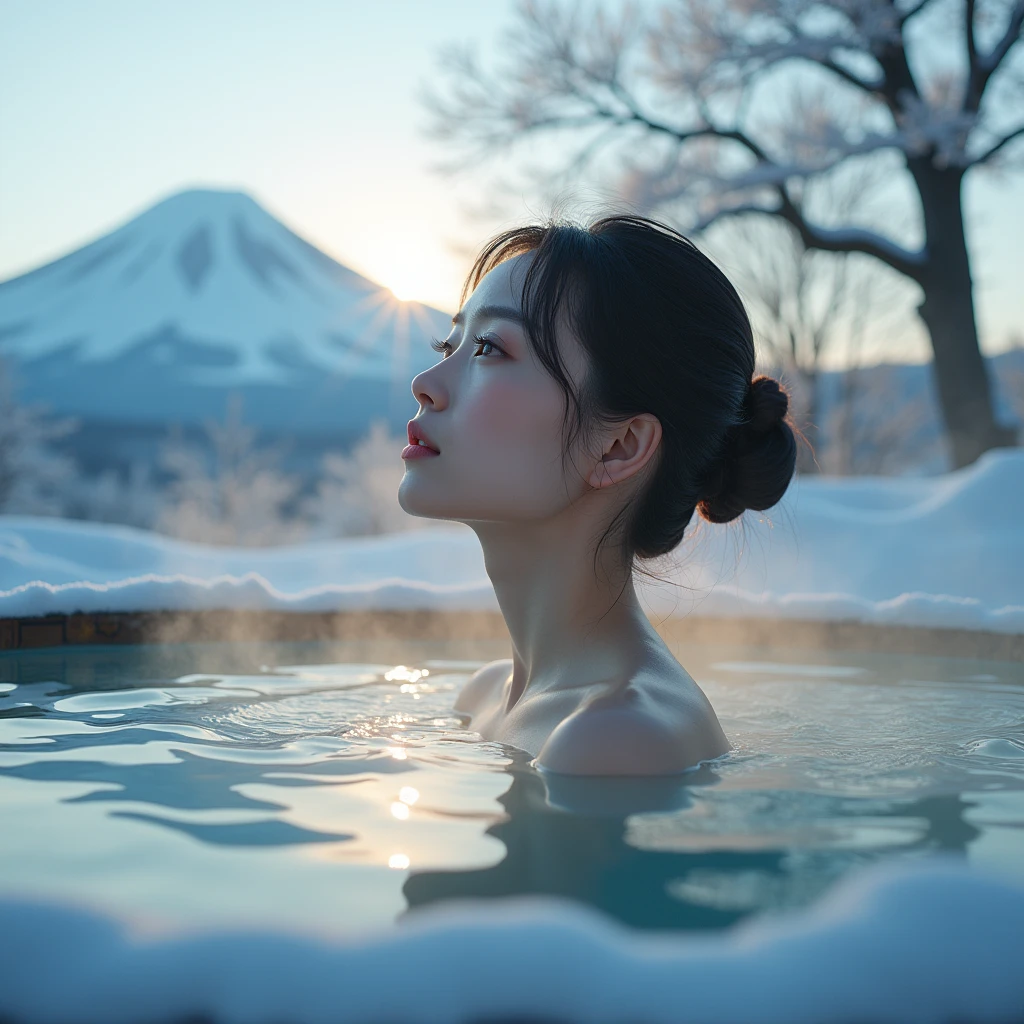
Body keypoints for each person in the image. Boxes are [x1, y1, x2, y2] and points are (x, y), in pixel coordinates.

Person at [398, 215, 796, 776]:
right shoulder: (487, 697)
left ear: (618, 446)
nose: (427, 382)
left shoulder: (613, 737)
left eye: (488, 348)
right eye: (450, 342)